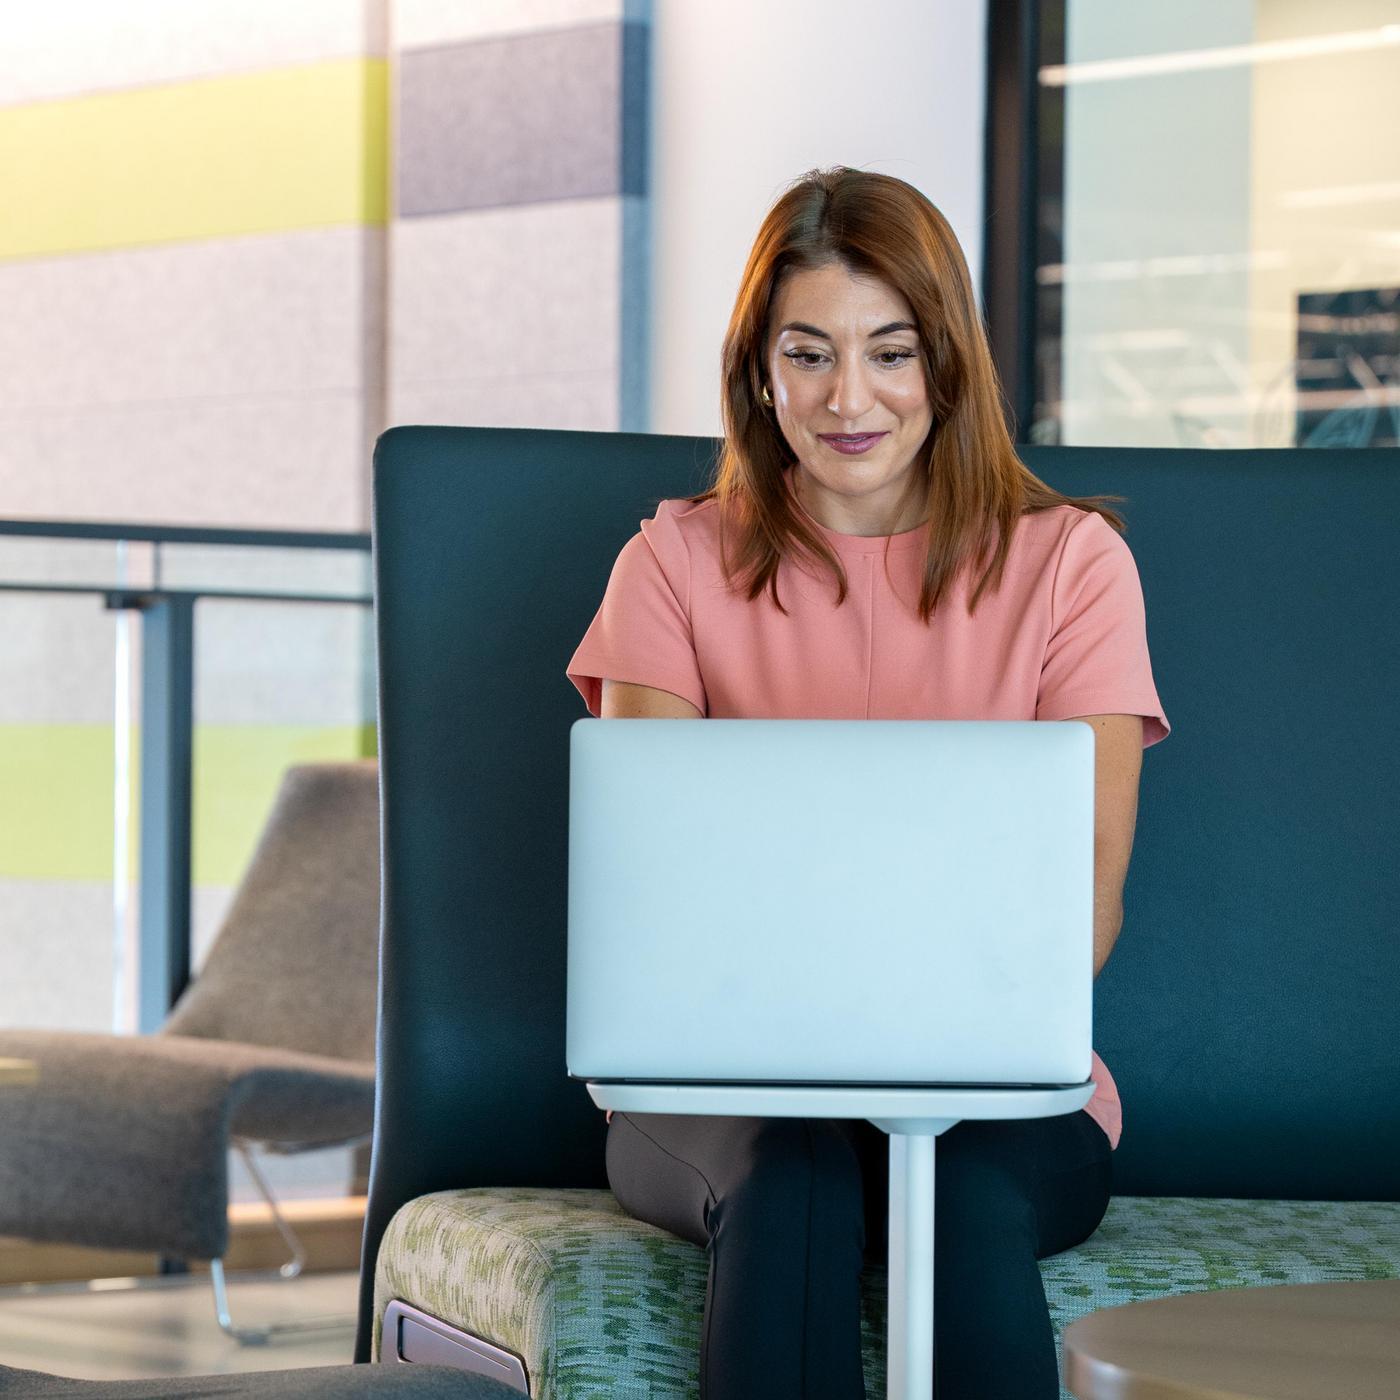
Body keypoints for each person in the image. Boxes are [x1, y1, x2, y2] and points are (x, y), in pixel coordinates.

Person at [565, 165, 1170, 1400]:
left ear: (946, 364)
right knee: (793, 1178)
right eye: (807, 353)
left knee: (943, 1193)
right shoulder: (672, 563)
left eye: (890, 352)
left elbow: (1079, 918)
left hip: (1000, 1095)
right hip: (716, 1092)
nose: (849, 398)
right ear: (759, 371)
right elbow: (652, 903)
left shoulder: (1071, 565)